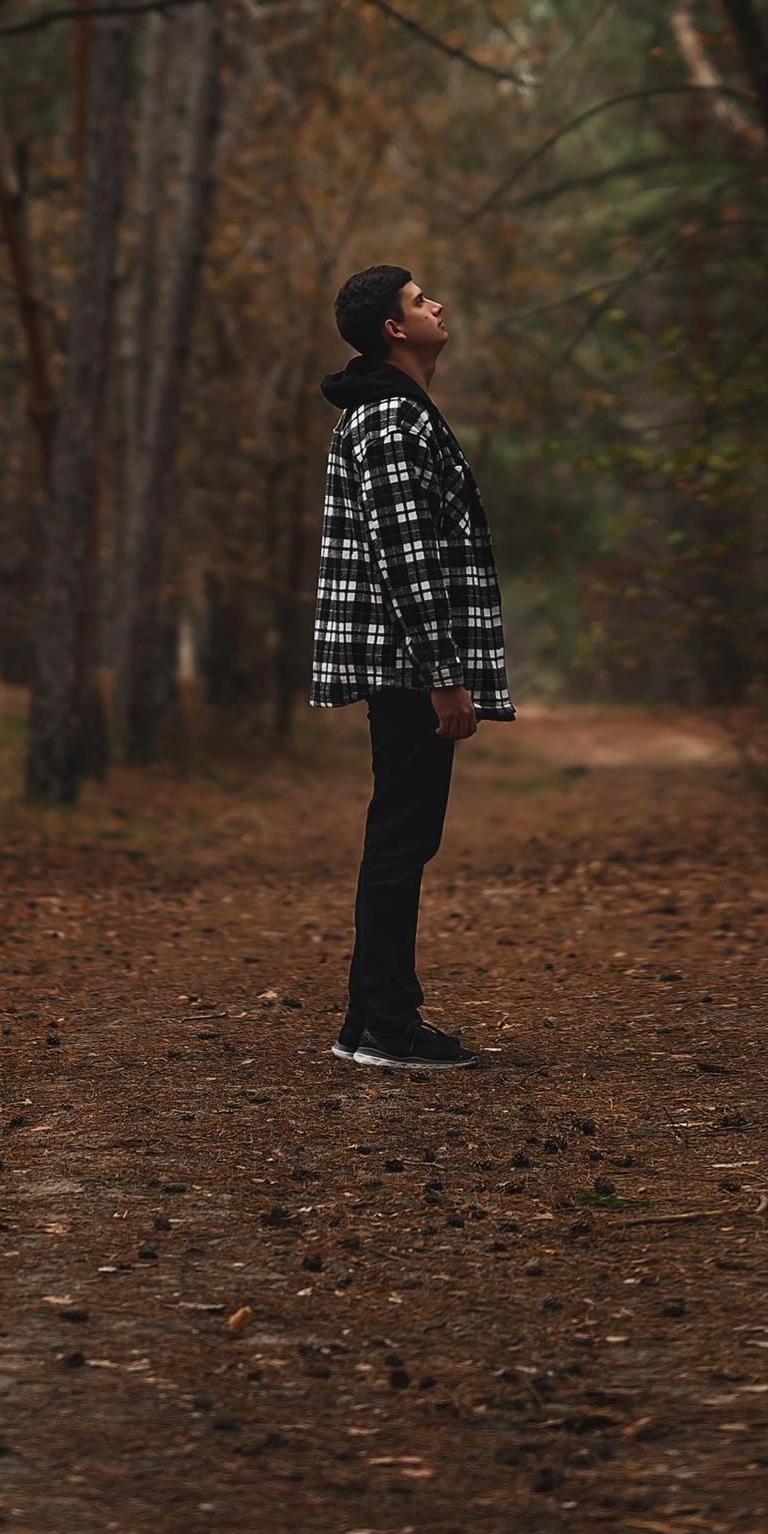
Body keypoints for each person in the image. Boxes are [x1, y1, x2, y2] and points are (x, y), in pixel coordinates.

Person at [309, 263, 512, 1069]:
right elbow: (409, 557)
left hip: (403, 662)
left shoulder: (394, 413)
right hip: (407, 666)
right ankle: (389, 1027)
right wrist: (444, 673)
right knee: (400, 842)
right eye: (422, 301)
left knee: (400, 838)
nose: (438, 305)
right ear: (395, 329)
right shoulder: (393, 421)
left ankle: (368, 1024)